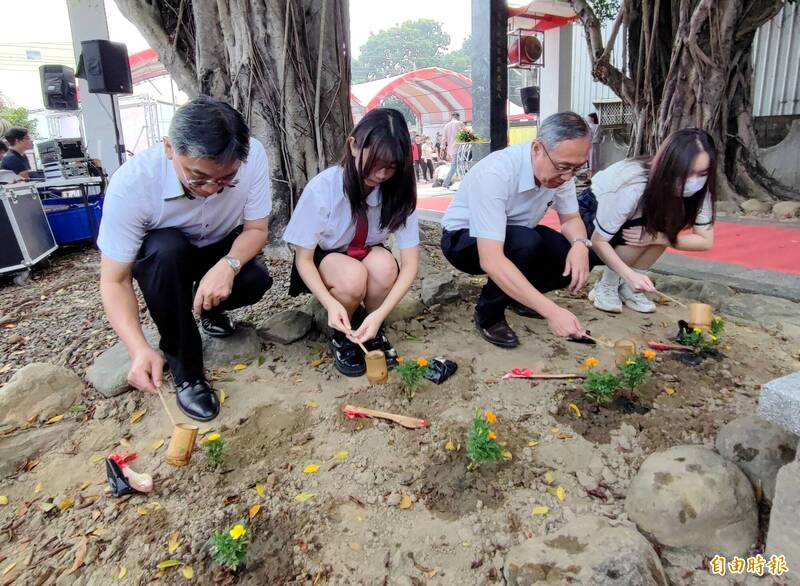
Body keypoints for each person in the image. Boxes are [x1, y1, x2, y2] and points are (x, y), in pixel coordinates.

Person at [97, 96, 273, 422]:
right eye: (197, 177)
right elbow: (114, 280)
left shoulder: (254, 156)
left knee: (256, 278)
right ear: (169, 149)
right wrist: (138, 348)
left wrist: (228, 265)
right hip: (167, 257)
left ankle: (208, 307)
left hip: (219, 246)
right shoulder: (132, 184)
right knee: (165, 247)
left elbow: (257, 229)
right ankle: (186, 370)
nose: (210, 189)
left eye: (224, 180)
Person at [284, 108, 419, 377]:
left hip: (367, 251)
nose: (381, 174)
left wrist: (380, 315)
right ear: (354, 145)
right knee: (352, 277)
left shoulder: (398, 191)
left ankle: (370, 327)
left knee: (385, 267)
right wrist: (330, 304)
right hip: (328, 259)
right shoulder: (323, 189)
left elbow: (410, 264)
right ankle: (341, 335)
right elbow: (304, 259)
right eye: (376, 162)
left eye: (391, 166)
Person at [440, 111, 594, 348]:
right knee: (526, 242)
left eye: (576, 169)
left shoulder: (562, 172)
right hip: (463, 240)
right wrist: (551, 311)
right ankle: (488, 316)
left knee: (565, 251)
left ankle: (518, 296)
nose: (567, 177)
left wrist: (580, 245)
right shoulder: (497, 172)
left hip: (516, 235)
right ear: (537, 149)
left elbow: (571, 218)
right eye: (563, 167)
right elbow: (491, 260)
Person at [581, 128, 717, 313]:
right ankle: (607, 285)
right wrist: (628, 274)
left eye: (702, 173)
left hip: (636, 221)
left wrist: (661, 238)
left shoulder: (701, 191)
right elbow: (599, 240)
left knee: (658, 231)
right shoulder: (631, 185)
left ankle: (630, 289)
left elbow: (705, 241)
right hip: (594, 212)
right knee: (644, 231)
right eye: (686, 172)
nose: (693, 181)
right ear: (667, 166)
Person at [442, 112, 466, 188]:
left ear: (452, 117)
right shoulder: (460, 123)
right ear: (458, 117)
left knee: (456, 166)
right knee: (459, 166)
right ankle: (446, 183)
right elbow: (466, 135)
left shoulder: (446, 126)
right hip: (459, 148)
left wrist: (442, 149)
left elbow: (443, 139)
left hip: (451, 149)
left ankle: (446, 183)